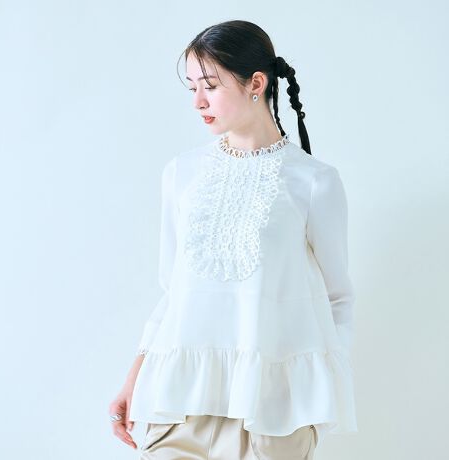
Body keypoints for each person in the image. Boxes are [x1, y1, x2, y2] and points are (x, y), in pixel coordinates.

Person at [109, 19, 357, 459]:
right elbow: (173, 293)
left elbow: (338, 298)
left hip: (271, 413)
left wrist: (313, 393)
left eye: (210, 86)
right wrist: (135, 378)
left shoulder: (313, 182)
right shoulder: (181, 173)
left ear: (256, 83)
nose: (198, 101)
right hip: (178, 406)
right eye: (192, 88)